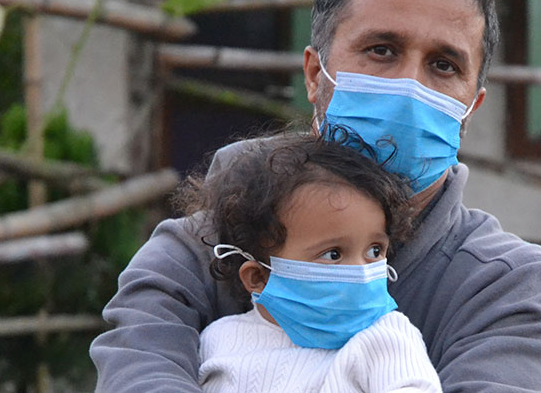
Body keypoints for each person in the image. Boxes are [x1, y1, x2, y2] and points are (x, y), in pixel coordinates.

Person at [91, 0, 541, 392]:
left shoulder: (509, 290)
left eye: (443, 65)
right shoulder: (214, 241)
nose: (408, 85)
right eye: (382, 50)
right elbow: (140, 360)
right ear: (314, 75)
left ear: (470, 108)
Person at [178, 131, 441, 392]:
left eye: (375, 251)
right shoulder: (218, 340)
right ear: (258, 277)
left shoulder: (387, 338)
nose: (362, 273)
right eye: (334, 254)